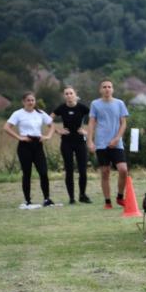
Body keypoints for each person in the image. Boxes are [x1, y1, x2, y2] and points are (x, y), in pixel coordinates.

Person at [3, 91, 56, 208]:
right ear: (23, 102)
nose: (31, 102)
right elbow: (6, 127)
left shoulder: (40, 113)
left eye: (32, 100)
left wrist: (47, 136)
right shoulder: (18, 114)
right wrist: (19, 137)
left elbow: (52, 125)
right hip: (24, 146)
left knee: (43, 172)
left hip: (38, 145)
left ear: (35, 101)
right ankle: (27, 200)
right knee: (27, 174)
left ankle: (47, 199)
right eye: (28, 100)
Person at [86, 79, 129, 209]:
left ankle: (120, 196)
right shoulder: (95, 104)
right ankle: (107, 201)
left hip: (117, 143)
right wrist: (89, 141)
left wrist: (117, 138)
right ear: (100, 90)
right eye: (104, 87)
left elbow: (124, 124)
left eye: (109, 86)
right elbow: (92, 123)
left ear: (113, 89)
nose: (107, 89)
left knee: (123, 170)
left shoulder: (120, 103)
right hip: (101, 144)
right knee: (105, 172)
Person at [50, 86, 91, 204]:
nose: (68, 95)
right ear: (64, 96)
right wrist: (58, 130)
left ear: (75, 94)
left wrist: (87, 132)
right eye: (66, 94)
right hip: (67, 142)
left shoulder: (82, 108)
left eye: (70, 93)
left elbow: (95, 119)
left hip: (80, 142)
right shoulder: (61, 108)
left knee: (82, 170)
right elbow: (48, 119)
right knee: (69, 170)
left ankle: (82, 195)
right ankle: (71, 198)